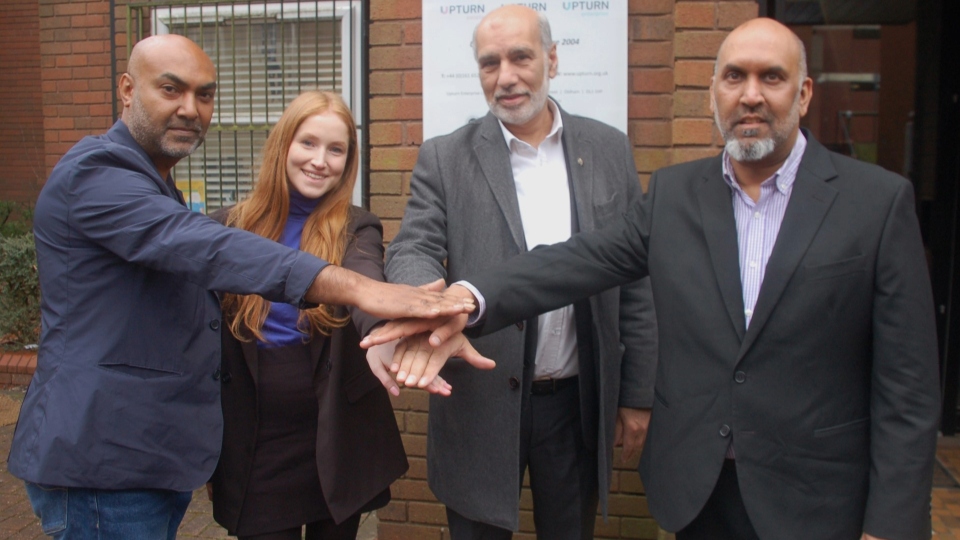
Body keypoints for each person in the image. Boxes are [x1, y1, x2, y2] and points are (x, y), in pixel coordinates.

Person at [366, 17, 941, 540]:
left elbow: (908, 387)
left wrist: (890, 523)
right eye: (734, 77)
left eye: (772, 77)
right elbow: (578, 260)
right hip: (700, 491)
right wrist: (465, 297)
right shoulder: (675, 194)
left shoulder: (878, 203)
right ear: (713, 91)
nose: (750, 95)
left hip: (814, 499)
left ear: (804, 92)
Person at [9, 35, 472, 540]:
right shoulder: (97, 173)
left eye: (204, 95)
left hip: (149, 458)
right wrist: (358, 289)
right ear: (127, 89)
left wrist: (384, 324)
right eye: (171, 89)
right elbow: (201, 246)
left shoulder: (158, 185)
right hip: (102, 458)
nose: (190, 108)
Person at [379, 6, 658, 538]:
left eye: (520, 57)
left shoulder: (608, 149)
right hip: (479, 402)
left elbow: (635, 280)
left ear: (552, 59)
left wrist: (636, 393)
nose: (505, 77)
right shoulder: (444, 157)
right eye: (490, 63)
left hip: (576, 405)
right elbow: (412, 247)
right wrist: (427, 303)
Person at [206, 90, 450, 540]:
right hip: (255, 441)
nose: (321, 160)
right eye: (308, 143)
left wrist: (382, 334)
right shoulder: (226, 227)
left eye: (336, 149)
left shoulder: (358, 226)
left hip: (335, 436)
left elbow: (365, 283)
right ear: (283, 145)